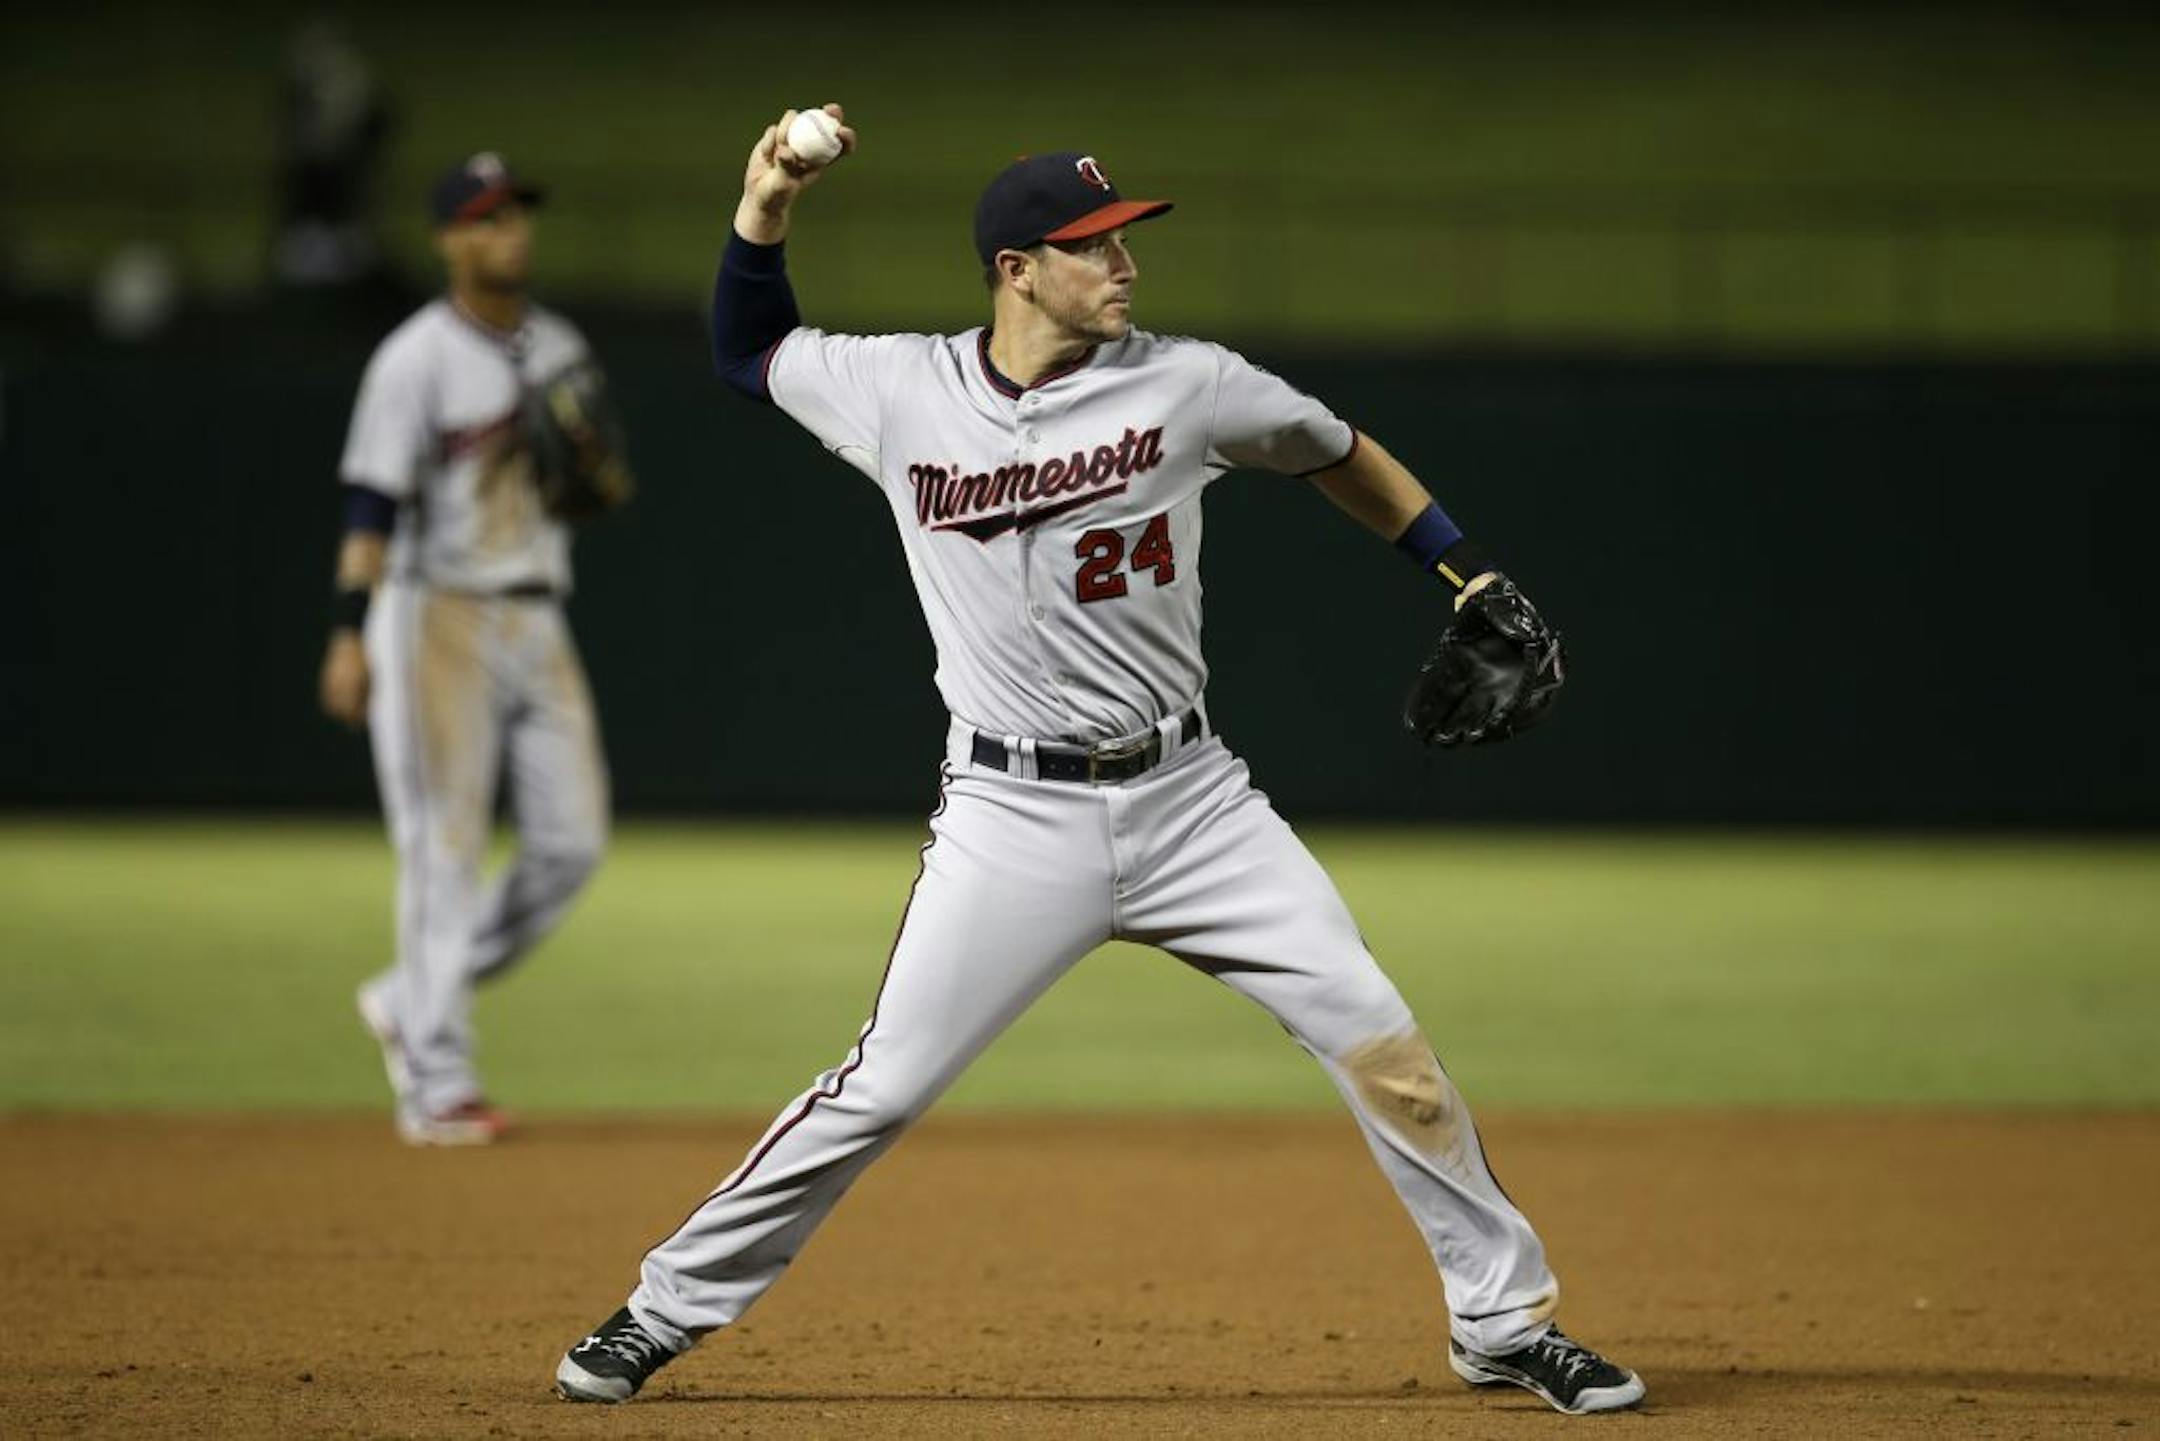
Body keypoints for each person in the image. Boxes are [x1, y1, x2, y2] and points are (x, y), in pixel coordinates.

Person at [553, 105, 1641, 1416]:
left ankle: (1503, 1321)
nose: (1125, 265)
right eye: (1093, 246)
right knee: (880, 1086)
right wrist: (766, 197)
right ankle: (662, 1308)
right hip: (1012, 816)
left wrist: (1466, 570)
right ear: (1017, 271)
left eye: (1126, 241)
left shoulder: (1191, 384)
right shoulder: (900, 391)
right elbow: (747, 351)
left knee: (1385, 1046)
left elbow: (1336, 452)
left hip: (1195, 803)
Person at [320, 153, 620, 1146]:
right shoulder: (415, 358)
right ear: (450, 238)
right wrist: (348, 632)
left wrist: (587, 466)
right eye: (489, 220)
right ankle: (437, 1079)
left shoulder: (561, 345)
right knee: (443, 848)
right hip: (431, 612)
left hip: (539, 609)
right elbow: (371, 499)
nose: (512, 235)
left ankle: (412, 996)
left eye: (519, 215)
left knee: (572, 843)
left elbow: (600, 488)